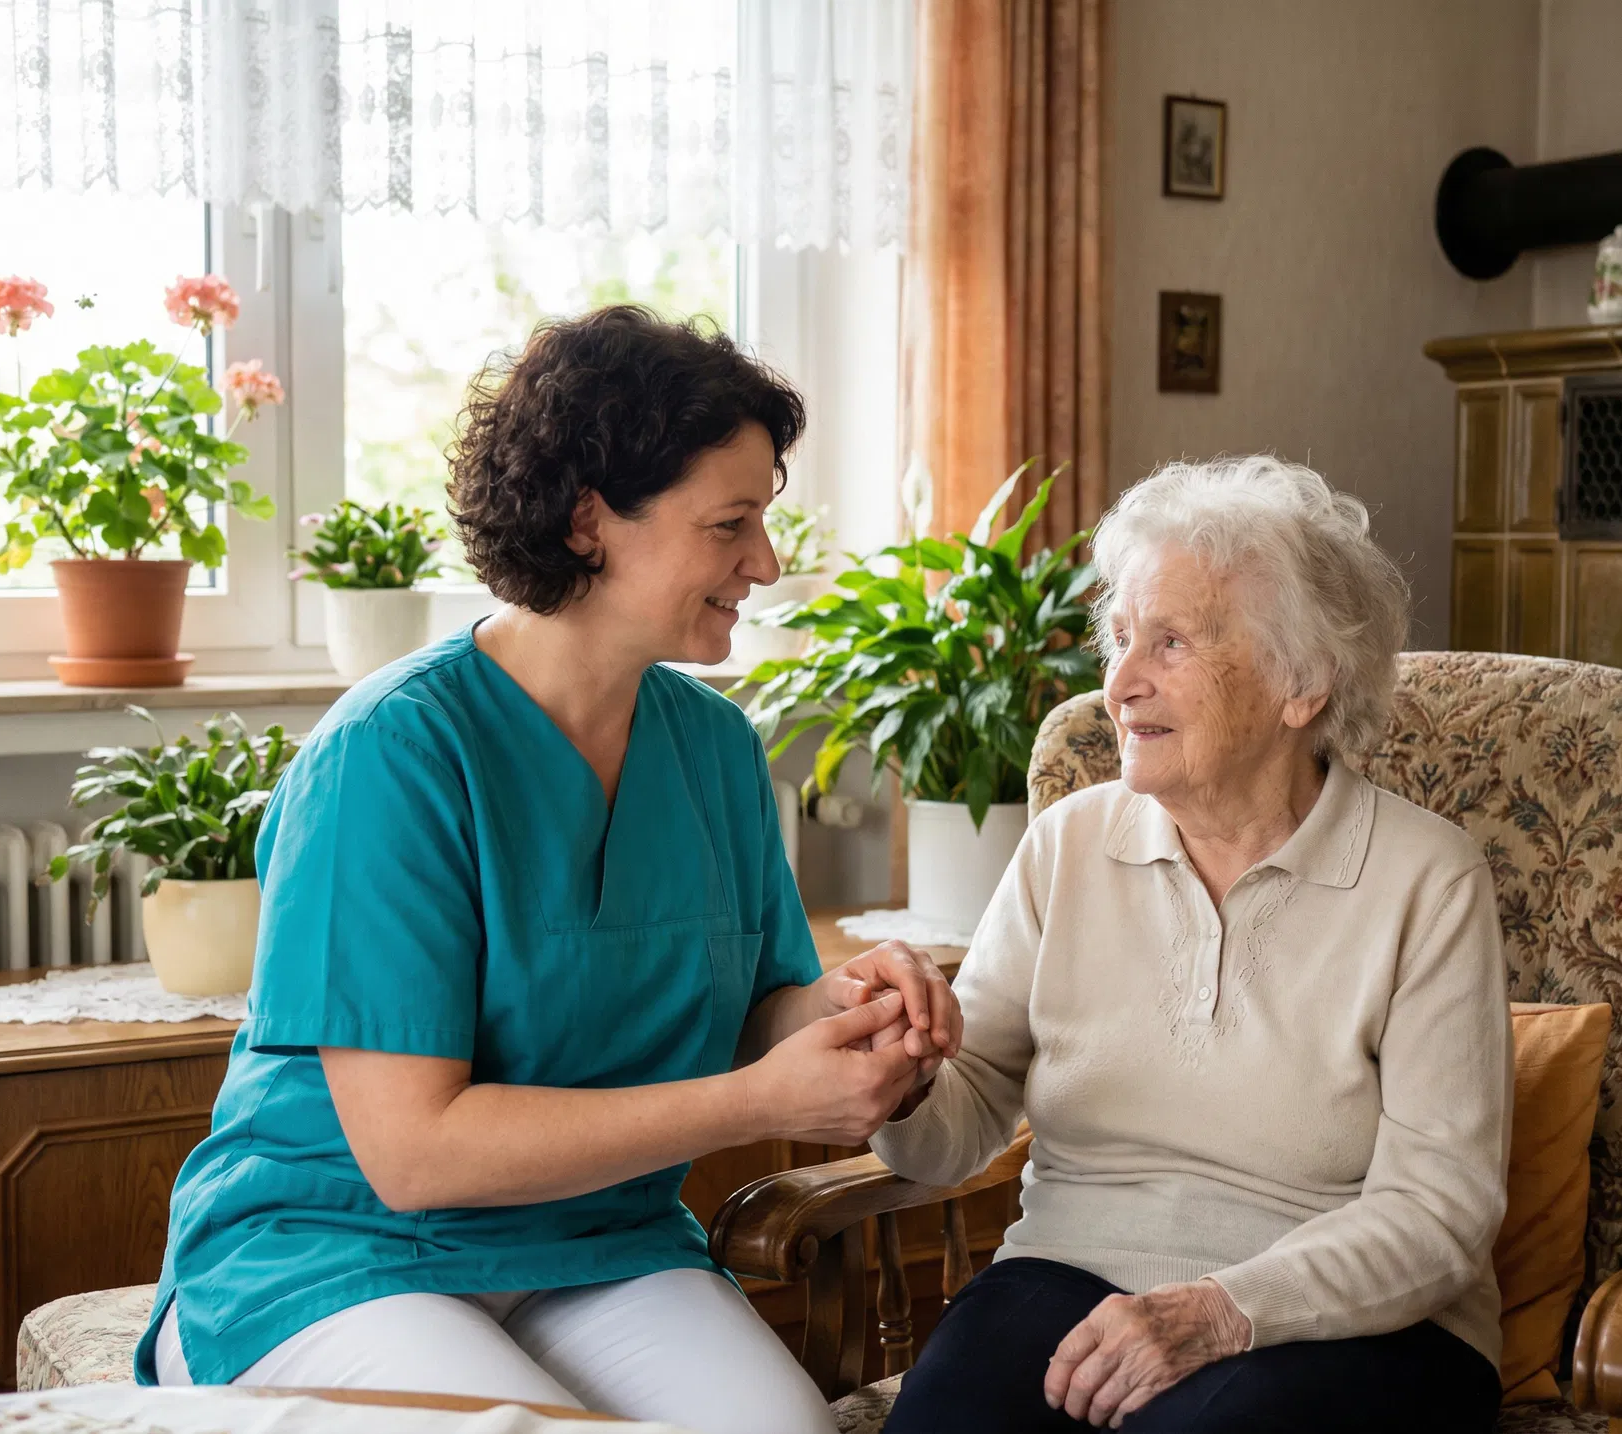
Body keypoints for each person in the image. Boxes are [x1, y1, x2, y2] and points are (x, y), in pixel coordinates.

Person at [136, 306, 962, 1434]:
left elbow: (758, 1008)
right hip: (340, 1245)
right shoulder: (391, 754)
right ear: (587, 521)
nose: (764, 564)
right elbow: (414, 1155)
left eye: (763, 522)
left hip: (594, 1236)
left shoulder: (715, 747)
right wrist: (757, 1103)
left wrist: (852, 1009)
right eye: (730, 525)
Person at [872, 455, 1513, 1433]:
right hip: (1069, 1272)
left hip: (1355, 1320)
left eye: (1169, 643)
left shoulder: (1428, 879)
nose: (1119, 684)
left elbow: (1440, 1213)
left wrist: (1220, 1311)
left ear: (1302, 684)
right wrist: (906, 1076)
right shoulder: (1067, 845)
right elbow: (957, 1127)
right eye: (1121, 638)